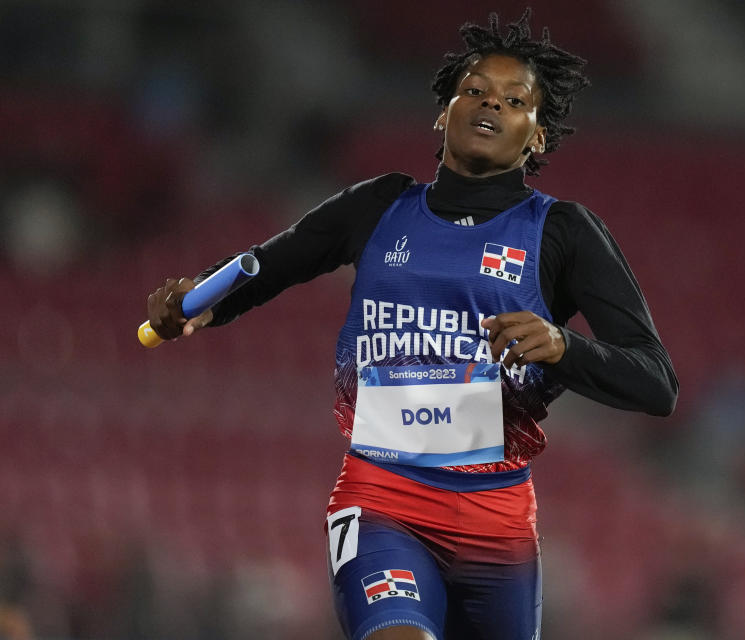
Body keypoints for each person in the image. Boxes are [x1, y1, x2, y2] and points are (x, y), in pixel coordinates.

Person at [146, 9, 678, 640]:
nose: (490, 105)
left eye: (514, 100)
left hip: (497, 520)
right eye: (474, 90)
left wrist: (564, 346)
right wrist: (199, 304)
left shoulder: (562, 233)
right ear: (442, 113)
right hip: (381, 497)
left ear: (537, 137)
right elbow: (271, 263)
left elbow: (656, 384)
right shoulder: (378, 207)